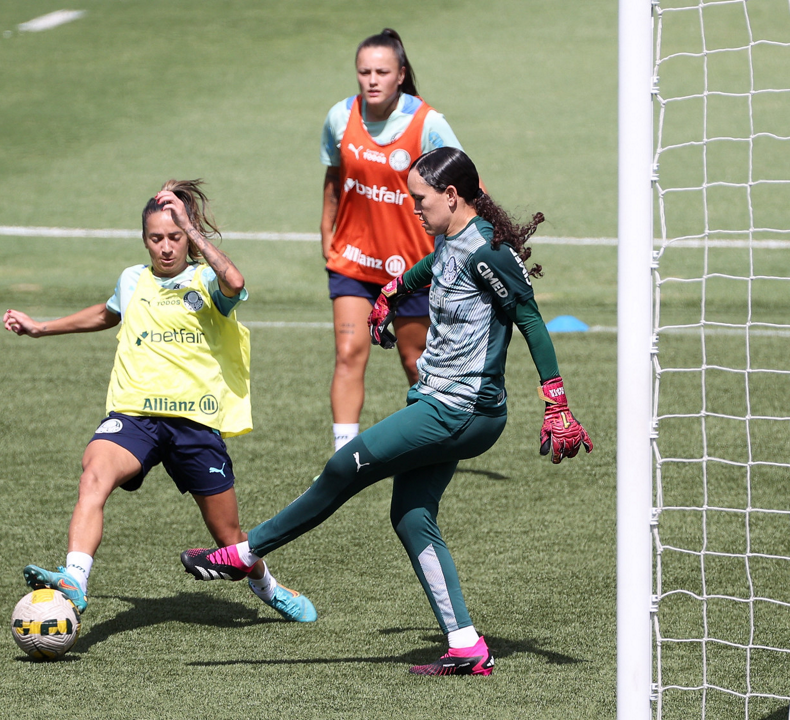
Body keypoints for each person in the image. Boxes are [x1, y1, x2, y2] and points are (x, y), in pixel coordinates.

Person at [181, 148, 593, 675]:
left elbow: (531, 320)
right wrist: (395, 291)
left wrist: (556, 403)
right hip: (439, 401)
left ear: (451, 196)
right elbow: (435, 265)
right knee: (411, 516)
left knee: (345, 465)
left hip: (463, 410)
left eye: (420, 199)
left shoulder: (489, 254)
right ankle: (465, 644)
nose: (414, 208)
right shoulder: (451, 236)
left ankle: (246, 552)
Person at [3, 180, 316, 623]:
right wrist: (41, 327)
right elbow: (107, 313)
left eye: (174, 236)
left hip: (194, 422)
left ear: (187, 236)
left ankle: (268, 586)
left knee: (229, 539)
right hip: (136, 415)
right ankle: (75, 577)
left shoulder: (206, 278)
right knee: (93, 476)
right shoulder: (132, 279)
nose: (166, 247)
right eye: (156, 238)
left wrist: (193, 229)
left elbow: (236, 281)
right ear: (144, 239)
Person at [321, 29, 468, 452]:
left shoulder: (428, 123)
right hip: (354, 261)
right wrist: (327, 235)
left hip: (414, 268)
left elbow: (465, 183)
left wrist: (479, 238)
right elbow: (333, 181)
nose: (372, 80)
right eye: (364, 71)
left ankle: (433, 444)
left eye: (382, 72)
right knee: (349, 353)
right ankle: (344, 455)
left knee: (415, 360)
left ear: (401, 74)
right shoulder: (340, 117)